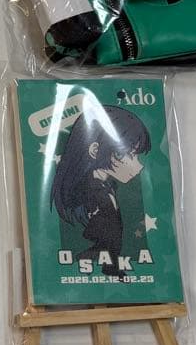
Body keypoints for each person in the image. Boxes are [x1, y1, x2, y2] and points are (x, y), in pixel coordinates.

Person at [50, 102, 151, 275]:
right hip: (94, 268)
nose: (138, 166)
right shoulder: (93, 192)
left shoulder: (107, 187)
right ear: (95, 150)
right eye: (129, 155)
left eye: (136, 155)